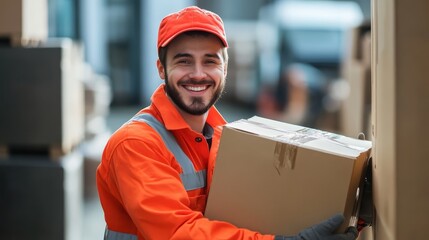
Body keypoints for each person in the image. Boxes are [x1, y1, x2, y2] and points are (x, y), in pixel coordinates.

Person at [96, 6, 359, 240]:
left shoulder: (226, 138)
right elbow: (177, 233)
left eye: (210, 60)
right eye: (183, 61)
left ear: (225, 68)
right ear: (161, 69)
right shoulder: (136, 144)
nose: (198, 74)